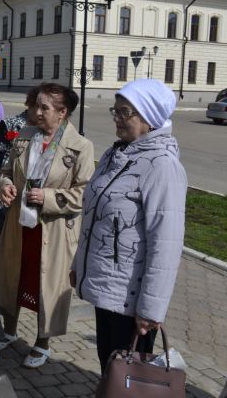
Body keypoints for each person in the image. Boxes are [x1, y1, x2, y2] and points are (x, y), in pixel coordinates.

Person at [70, 79, 186, 373]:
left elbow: (166, 245)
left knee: (130, 377)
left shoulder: (162, 166)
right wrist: (79, 265)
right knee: (110, 369)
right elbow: (94, 215)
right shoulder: (116, 154)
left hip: (132, 302)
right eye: (116, 111)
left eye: (125, 113)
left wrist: (150, 309)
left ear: (149, 117)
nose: (117, 119)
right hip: (106, 288)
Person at [0, 83, 94, 368]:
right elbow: (6, 170)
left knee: (45, 285)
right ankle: (9, 330)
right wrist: (6, 185)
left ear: (63, 113)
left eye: (44, 107)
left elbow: (84, 192)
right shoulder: (24, 137)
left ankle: (42, 343)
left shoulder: (81, 147)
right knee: (15, 276)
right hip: (19, 225)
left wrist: (48, 197)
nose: (36, 112)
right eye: (36, 105)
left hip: (53, 230)